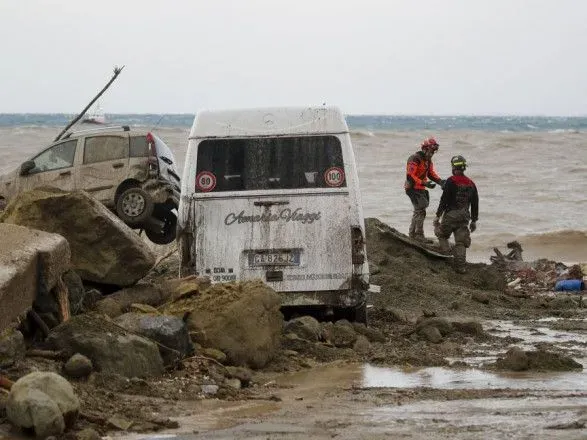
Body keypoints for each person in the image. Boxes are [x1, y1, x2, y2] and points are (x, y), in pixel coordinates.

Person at [433, 155, 479, 273]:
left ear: (453, 167)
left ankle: (447, 257)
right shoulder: (471, 184)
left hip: (451, 215)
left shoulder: (451, 181)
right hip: (464, 217)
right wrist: (474, 220)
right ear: (464, 168)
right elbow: (475, 203)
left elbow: (444, 200)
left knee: (442, 234)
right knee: (461, 242)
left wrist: (437, 216)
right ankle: (460, 267)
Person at [404, 137, 445, 243]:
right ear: (425, 149)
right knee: (421, 210)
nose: (432, 154)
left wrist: (440, 182)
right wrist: (424, 183)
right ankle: (418, 235)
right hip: (412, 188)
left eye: (434, 151)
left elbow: (431, 174)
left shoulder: (428, 160)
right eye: (431, 151)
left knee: (419, 210)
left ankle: (412, 234)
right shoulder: (415, 159)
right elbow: (410, 176)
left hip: (420, 188)